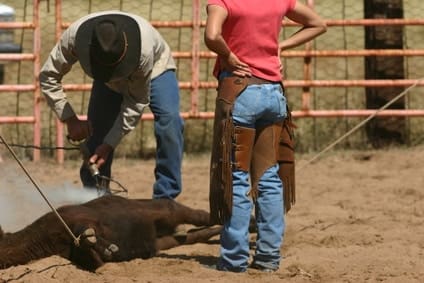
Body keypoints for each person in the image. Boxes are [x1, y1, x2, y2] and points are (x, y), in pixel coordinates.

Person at [205, 0, 326, 273]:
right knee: (269, 178)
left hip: (239, 92)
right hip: (273, 94)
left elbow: (212, 36)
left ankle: (234, 260)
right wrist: (280, 46)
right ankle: (268, 257)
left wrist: (229, 55)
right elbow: (319, 24)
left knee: (235, 178)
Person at [40, 11, 184, 200]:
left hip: (156, 69)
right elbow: (48, 76)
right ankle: (96, 198)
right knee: (97, 134)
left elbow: (136, 101)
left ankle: (165, 199)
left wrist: (109, 144)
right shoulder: (74, 38)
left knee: (170, 122)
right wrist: (70, 119)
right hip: (105, 77)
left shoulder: (144, 52)